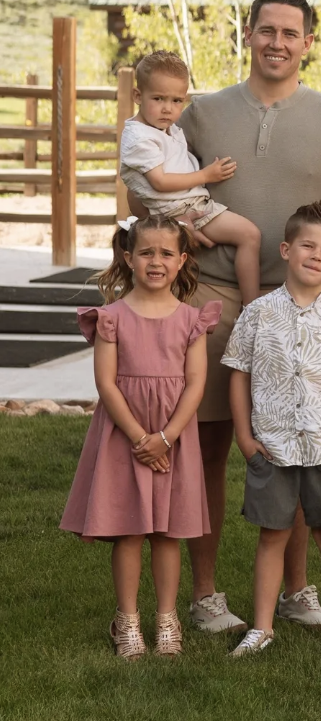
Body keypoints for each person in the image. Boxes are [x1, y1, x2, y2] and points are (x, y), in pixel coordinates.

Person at [159, 0, 321, 634]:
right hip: (212, 296)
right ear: (248, 34)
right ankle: (205, 594)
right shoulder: (200, 113)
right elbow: (153, 192)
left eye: (290, 33)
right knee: (208, 447)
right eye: (267, 30)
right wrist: (180, 229)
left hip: (300, 306)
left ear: (309, 42)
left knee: (299, 446)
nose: (278, 42)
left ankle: (297, 591)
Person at [222, 203, 321, 657]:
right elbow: (239, 374)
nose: (316, 256)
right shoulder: (258, 313)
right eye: (308, 246)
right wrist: (244, 437)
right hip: (271, 445)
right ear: (286, 250)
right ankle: (262, 628)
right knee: (272, 535)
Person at [63, 216, 218, 659]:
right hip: (124, 436)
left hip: (173, 437)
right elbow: (106, 384)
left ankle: (167, 619)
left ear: (181, 260)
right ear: (128, 258)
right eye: (146, 252)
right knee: (129, 531)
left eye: (166, 253)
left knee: (167, 533)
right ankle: (127, 621)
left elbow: (196, 385)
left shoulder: (191, 320)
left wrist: (165, 438)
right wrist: (140, 439)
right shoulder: (111, 318)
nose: (156, 261)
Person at [117, 51, 261, 299]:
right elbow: (160, 182)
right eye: (158, 98)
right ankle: (252, 308)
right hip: (181, 208)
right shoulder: (140, 138)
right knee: (250, 235)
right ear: (138, 96)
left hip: (184, 205)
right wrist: (206, 175)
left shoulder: (164, 129)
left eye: (177, 101)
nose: (168, 109)